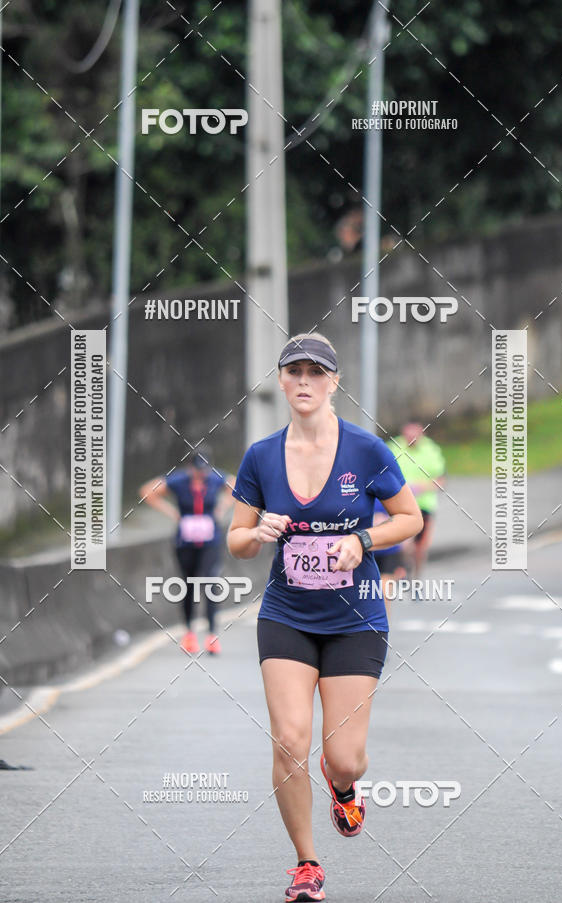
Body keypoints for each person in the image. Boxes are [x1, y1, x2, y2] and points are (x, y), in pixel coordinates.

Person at [227, 333, 423, 902]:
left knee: (342, 755)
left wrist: (363, 540)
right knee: (289, 741)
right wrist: (256, 532)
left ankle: (344, 786)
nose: (305, 381)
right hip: (287, 614)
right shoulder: (261, 456)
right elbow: (237, 540)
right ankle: (307, 864)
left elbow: (407, 518)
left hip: (355, 618)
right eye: (295, 372)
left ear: (334, 382)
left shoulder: (366, 451)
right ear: (282, 382)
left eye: (317, 372)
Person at [139, 450, 233, 654]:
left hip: (210, 540)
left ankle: (212, 635)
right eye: (198, 471)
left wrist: (222, 508)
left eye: (205, 471)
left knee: (210, 582)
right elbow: (147, 491)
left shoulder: (216, 478)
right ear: (190, 468)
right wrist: (173, 513)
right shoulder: (179, 480)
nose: (201, 475)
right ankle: (189, 633)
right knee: (188, 583)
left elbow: (237, 486)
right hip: (185, 541)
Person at [386, 422, 446, 578]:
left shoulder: (431, 450)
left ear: (421, 436)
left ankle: (417, 577)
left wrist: (421, 487)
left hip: (423, 505)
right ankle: (404, 570)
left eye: (414, 438)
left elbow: (440, 481)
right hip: (399, 505)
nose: (410, 441)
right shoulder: (393, 447)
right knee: (404, 544)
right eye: (408, 438)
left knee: (420, 548)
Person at [372, 498, 407, 623]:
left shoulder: (390, 485)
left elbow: (406, 517)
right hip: (365, 549)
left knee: (385, 591)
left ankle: (382, 625)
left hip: (389, 549)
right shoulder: (356, 486)